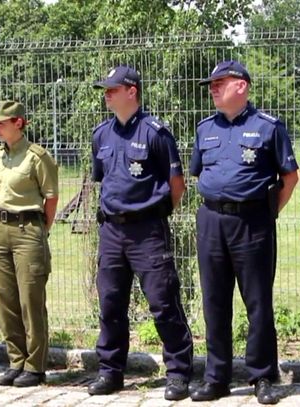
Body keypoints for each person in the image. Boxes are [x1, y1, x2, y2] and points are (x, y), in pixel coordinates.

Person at [189, 60, 298, 404]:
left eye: (220, 82)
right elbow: (197, 174)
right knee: (214, 302)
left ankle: (262, 376)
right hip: (211, 220)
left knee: (258, 302)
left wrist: (265, 213)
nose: (213, 88)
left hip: (253, 223)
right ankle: (216, 377)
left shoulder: (268, 127)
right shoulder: (205, 128)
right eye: (212, 83)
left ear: (242, 86)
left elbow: (290, 177)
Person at [88, 65, 193, 401]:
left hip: (147, 232)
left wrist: (154, 214)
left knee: (163, 303)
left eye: (112, 89)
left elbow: (177, 185)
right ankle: (110, 371)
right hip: (112, 232)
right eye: (105, 89)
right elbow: (101, 180)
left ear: (131, 91)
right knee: (110, 304)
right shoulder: (101, 134)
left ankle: (178, 373)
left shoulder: (155, 132)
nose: (106, 94)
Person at [0, 101, 58, 387]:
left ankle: (35, 366)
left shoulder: (37, 157)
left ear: (18, 123)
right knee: (4, 299)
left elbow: (50, 198)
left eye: (1, 122)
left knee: (30, 301)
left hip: (28, 229)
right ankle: (16, 360)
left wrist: (42, 231)